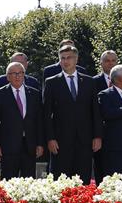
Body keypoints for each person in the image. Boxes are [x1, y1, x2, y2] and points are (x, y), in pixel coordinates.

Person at [43, 45, 102, 184]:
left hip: (85, 140)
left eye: (69, 58)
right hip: (60, 141)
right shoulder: (51, 82)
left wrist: (97, 136)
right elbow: (46, 114)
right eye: (62, 58)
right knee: (61, 181)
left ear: (76, 59)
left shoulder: (89, 81)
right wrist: (50, 138)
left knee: (83, 181)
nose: (65, 61)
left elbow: (95, 111)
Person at [0, 61, 44, 179]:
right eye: (14, 73)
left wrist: (40, 143)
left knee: (29, 180)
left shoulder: (34, 93)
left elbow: (39, 121)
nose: (17, 76)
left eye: (20, 73)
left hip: (29, 145)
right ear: (8, 76)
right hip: (8, 146)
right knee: (8, 180)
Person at [92, 50, 118, 183]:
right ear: (101, 63)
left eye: (113, 60)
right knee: (101, 168)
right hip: (101, 133)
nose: (110, 63)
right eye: (107, 61)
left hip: (120, 133)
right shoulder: (93, 82)